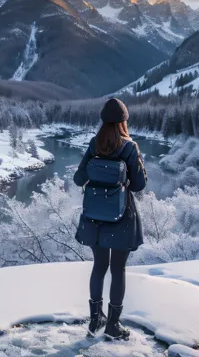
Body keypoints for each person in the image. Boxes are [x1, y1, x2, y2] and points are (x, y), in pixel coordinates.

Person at [73, 97, 147, 340]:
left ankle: (95, 320)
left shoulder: (95, 145)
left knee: (99, 266)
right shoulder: (129, 147)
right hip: (121, 218)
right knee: (118, 269)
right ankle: (113, 325)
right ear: (123, 122)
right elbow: (139, 185)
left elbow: (77, 178)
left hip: (94, 219)